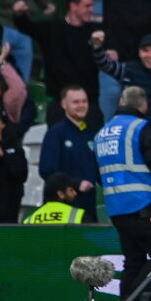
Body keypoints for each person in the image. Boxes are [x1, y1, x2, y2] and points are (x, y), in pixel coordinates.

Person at [95, 86, 151, 301]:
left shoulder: (102, 133)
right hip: (144, 206)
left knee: (134, 261)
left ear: (121, 101)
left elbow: (97, 174)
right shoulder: (140, 127)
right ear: (144, 106)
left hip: (115, 208)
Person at [14, 0, 101, 125]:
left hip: (89, 104)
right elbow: (27, 27)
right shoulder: (52, 29)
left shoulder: (95, 32)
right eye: (87, 6)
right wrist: (19, 14)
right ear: (73, 6)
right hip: (60, 105)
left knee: (90, 142)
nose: (92, 10)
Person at [38, 85, 100, 222]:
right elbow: (47, 171)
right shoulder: (55, 134)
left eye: (84, 101)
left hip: (88, 207)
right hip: (63, 210)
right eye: (76, 102)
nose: (81, 105)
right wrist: (76, 184)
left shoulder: (91, 134)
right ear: (64, 104)